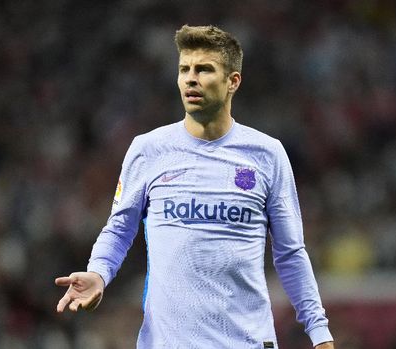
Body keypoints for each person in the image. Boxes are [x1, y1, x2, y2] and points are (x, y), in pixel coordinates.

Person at [55, 24, 335, 349]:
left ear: (233, 81)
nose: (190, 78)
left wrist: (319, 332)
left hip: (246, 342)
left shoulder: (267, 155)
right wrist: (99, 273)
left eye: (204, 69)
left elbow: (290, 253)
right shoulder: (149, 150)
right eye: (184, 69)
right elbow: (119, 229)